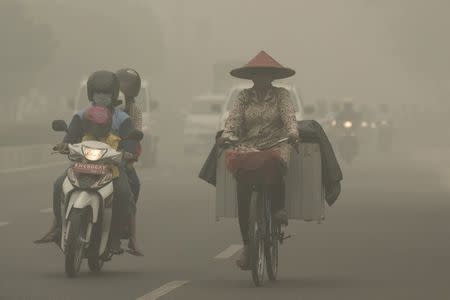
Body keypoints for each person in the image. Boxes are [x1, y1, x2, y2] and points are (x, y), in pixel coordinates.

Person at [34, 71, 141, 255]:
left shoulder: (122, 118)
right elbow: (71, 136)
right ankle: (59, 227)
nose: (102, 96)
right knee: (58, 184)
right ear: (91, 93)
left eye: (106, 93)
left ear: (114, 94)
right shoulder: (81, 115)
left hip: (112, 168)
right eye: (98, 92)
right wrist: (64, 145)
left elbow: (131, 141)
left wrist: (128, 151)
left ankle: (115, 239)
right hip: (83, 163)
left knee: (124, 193)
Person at [217, 51, 300, 269]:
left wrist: (292, 133)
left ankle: (278, 208)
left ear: (271, 77)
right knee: (243, 191)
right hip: (249, 144)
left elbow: (289, 116)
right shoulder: (243, 97)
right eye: (257, 75)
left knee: (275, 162)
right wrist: (227, 136)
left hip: (276, 141)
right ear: (252, 77)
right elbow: (233, 119)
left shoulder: (281, 95)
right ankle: (248, 245)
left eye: (265, 75)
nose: (261, 79)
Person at [115, 68, 143, 256]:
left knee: (132, 188)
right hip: (97, 155)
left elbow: (136, 138)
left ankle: (130, 235)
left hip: (121, 158)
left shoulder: (135, 112)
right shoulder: (101, 108)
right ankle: (58, 225)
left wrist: (130, 155)